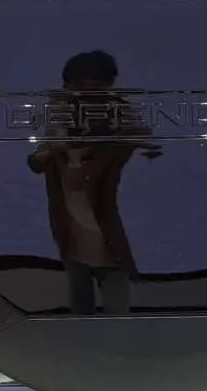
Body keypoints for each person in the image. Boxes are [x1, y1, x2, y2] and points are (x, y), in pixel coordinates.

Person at [26, 50, 153, 314]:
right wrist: (58, 133)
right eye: (78, 86)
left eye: (96, 86)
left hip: (109, 241)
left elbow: (144, 139)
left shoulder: (116, 137)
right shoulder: (59, 137)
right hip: (72, 241)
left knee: (116, 312)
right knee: (81, 309)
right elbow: (38, 160)